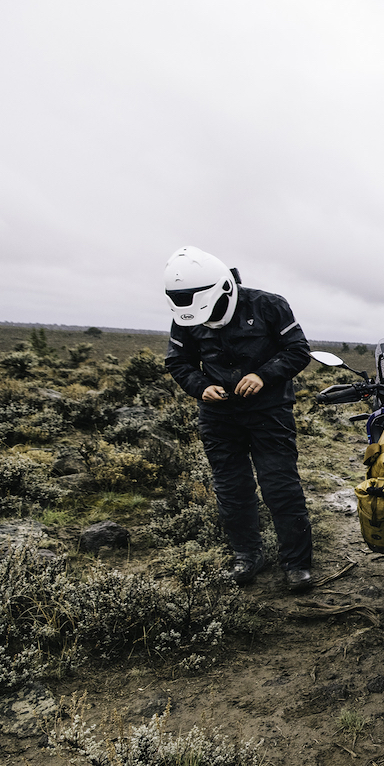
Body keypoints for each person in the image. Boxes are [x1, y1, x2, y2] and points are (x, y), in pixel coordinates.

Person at [163, 246, 315, 592]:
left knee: (280, 486)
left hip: (269, 412)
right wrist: (200, 387)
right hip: (219, 416)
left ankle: (297, 564)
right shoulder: (186, 315)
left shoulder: (269, 305)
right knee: (232, 489)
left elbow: (298, 350)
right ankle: (247, 556)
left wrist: (263, 375)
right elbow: (178, 362)